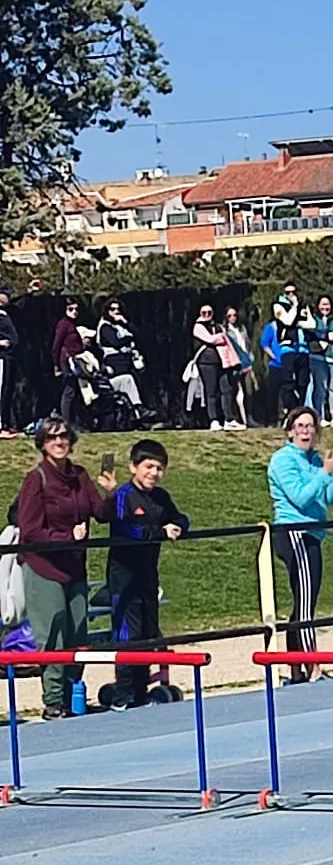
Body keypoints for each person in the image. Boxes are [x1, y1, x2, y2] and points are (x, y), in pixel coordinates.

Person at [13, 419, 115, 717]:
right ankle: (53, 701)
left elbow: (100, 514)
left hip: (75, 566)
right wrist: (66, 537)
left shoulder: (79, 476)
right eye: (52, 438)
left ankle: (74, 694)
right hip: (44, 567)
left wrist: (109, 493)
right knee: (54, 634)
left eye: (64, 437)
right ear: (43, 444)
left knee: (78, 634)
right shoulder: (37, 480)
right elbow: (29, 530)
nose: (59, 442)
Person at [103, 439, 190, 709]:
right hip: (123, 578)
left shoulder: (160, 497)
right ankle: (126, 693)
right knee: (129, 634)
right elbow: (125, 528)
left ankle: (141, 691)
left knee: (149, 633)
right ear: (133, 467)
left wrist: (177, 527)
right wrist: (159, 532)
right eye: (148, 466)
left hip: (148, 576)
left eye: (159, 468)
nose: (154, 473)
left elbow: (181, 518)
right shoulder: (124, 496)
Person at [268, 409, 333, 684]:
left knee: (304, 603)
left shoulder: (315, 459)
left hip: (313, 533)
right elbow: (300, 498)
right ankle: (313, 667)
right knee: (305, 606)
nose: (306, 431)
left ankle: (295, 669)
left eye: (311, 426)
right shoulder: (283, 460)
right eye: (300, 426)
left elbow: (329, 497)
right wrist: (324, 473)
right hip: (294, 532)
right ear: (290, 431)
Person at [94, 299, 146, 417]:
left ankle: (139, 413)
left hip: (128, 362)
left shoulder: (122, 325)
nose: (116, 312)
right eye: (112, 309)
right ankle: (138, 411)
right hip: (115, 363)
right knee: (127, 384)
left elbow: (138, 335)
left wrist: (126, 323)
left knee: (134, 385)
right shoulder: (105, 327)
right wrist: (129, 338)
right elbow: (115, 342)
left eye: (118, 309)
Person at [305, 295, 333, 425]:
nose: (325, 307)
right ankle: (320, 417)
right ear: (318, 306)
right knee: (320, 388)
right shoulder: (313, 320)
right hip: (318, 358)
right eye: (322, 304)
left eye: (327, 304)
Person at [191, 305, 230, 431]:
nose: (207, 314)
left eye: (209, 312)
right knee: (211, 391)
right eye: (204, 312)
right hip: (206, 362)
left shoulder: (217, 325)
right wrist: (220, 337)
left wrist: (220, 337)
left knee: (225, 389)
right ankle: (213, 419)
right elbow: (211, 339)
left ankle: (228, 418)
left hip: (221, 361)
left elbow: (224, 337)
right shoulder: (198, 326)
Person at [271, 284, 309, 409]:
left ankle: (300, 408)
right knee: (288, 382)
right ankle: (289, 409)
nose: (291, 295)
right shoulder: (278, 305)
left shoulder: (303, 305)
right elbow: (287, 321)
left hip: (303, 349)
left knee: (303, 382)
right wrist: (295, 307)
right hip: (288, 347)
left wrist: (299, 322)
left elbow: (311, 323)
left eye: (294, 291)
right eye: (288, 292)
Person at [222, 308, 253, 427]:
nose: (233, 317)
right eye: (229, 316)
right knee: (233, 390)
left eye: (234, 315)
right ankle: (236, 417)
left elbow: (247, 344)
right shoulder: (225, 330)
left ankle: (249, 417)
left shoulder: (242, 328)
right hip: (234, 363)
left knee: (248, 390)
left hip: (246, 361)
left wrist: (250, 359)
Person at [0, 285, 17, 437]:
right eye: (6, 295)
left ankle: (6, 424)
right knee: (1, 390)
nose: (8, 298)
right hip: (1, 357)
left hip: (10, 357)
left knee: (7, 391)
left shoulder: (6, 312)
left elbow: (20, 304)